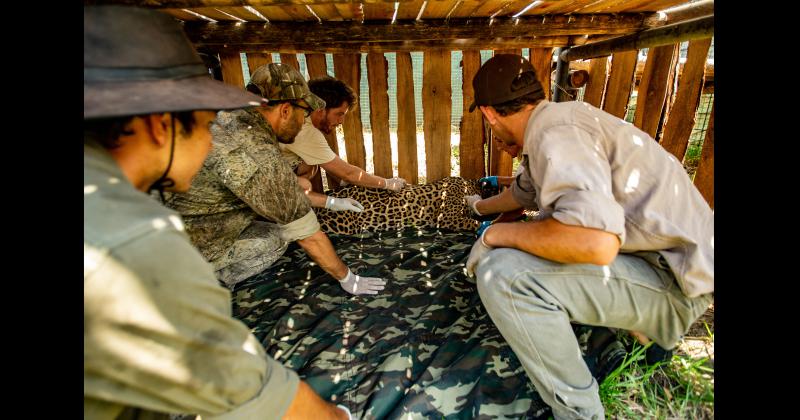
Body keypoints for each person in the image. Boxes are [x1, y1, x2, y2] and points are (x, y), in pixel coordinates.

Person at [84, 6, 352, 419]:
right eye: (204, 122)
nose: (211, 144)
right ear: (160, 125)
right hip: (199, 252)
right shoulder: (137, 247)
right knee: (276, 238)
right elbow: (255, 392)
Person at [463, 54, 713, 419]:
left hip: (674, 283)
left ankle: (580, 412)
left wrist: (495, 236)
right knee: (529, 247)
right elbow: (523, 194)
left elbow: (594, 241)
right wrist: (477, 210)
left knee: (504, 274)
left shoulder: (554, 135)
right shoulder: (557, 122)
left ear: (488, 114)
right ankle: (646, 336)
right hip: (662, 265)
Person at [164, 63, 387, 293]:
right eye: (304, 113)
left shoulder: (227, 116)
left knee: (272, 229)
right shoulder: (256, 153)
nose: (304, 121)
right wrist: (347, 278)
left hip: (160, 230)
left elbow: (288, 191)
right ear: (285, 111)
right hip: (179, 251)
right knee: (278, 239)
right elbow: (307, 235)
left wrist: (332, 202)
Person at [279, 76, 406, 193]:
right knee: (305, 183)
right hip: (265, 185)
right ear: (320, 109)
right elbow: (349, 173)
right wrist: (387, 183)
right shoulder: (305, 132)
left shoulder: (297, 114)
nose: (341, 121)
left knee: (310, 165)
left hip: (271, 172)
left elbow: (327, 160)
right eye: (339, 114)